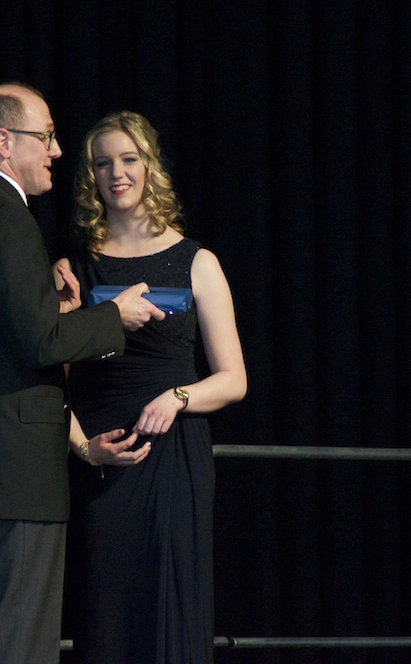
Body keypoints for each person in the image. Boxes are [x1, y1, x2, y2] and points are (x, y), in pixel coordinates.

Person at [0, 84, 164, 664]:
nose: (56, 150)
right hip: (15, 474)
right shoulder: (5, 214)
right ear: (5, 141)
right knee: (18, 645)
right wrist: (114, 316)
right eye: (47, 136)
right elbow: (38, 342)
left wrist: (57, 311)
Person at [56, 111, 247, 663]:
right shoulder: (74, 267)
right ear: (90, 176)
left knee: (172, 602)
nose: (116, 173)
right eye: (103, 163)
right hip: (103, 460)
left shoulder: (197, 261)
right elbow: (52, 380)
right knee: (106, 612)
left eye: (128, 159)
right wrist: (83, 448)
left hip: (173, 457)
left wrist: (179, 397)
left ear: (149, 166)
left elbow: (234, 379)